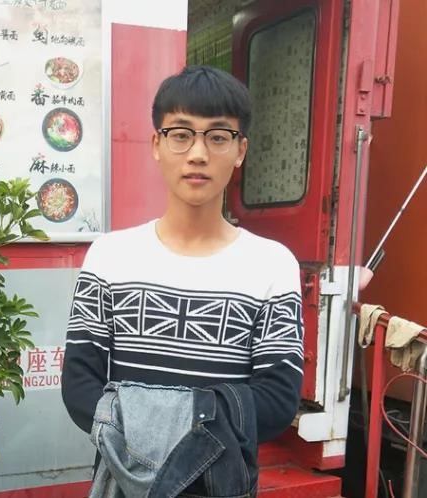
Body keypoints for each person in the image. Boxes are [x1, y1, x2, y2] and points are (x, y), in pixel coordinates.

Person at [61, 65, 304, 495]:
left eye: (218, 136)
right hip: (124, 484)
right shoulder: (110, 257)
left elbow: (278, 399)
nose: (198, 154)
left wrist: (154, 433)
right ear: (157, 144)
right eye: (181, 134)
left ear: (241, 149)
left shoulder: (272, 265)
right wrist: (171, 441)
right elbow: (79, 384)